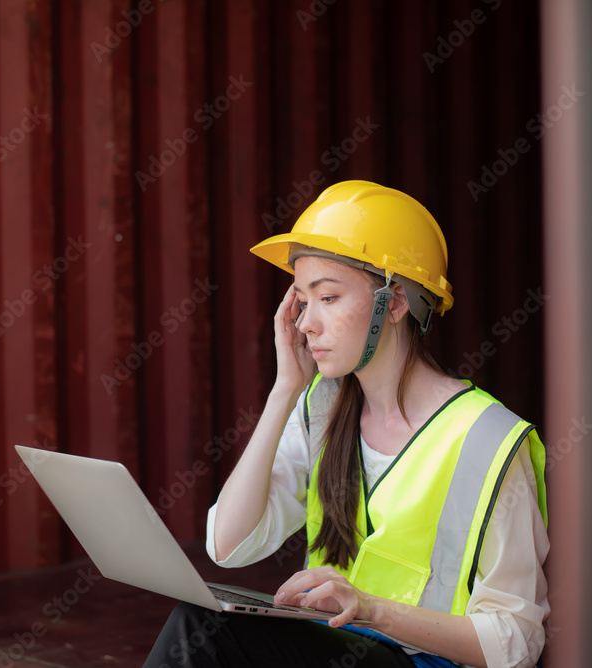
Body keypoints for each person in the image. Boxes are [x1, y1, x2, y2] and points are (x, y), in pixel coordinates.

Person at [144, 180, 549, 668]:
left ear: (395, 303)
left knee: (199, 634)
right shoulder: (323, 405)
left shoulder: (489, 441)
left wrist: (373, 610)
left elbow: (515, 643)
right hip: (335, 649)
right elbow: (229, 545)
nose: (306, 324)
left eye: (328, 298)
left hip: (420, 662)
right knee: (201, 622)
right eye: (301, 301)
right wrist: (284, 391)